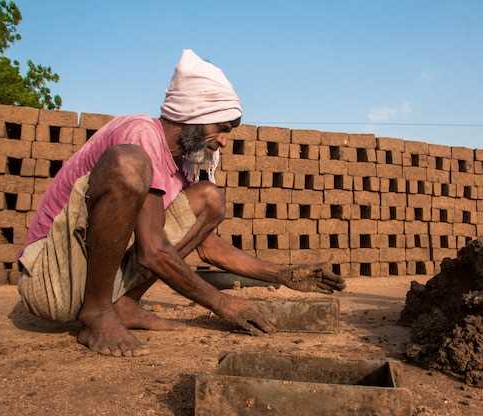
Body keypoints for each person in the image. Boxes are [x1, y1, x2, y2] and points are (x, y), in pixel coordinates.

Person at [17, 49, 345, 357]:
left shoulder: (181, 165)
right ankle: (98, 313)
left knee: (209, 199)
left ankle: (125, 305)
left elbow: (208, 247)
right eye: (222, 128)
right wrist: (222, 303)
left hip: (90, 276)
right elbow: (153, 250)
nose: (224, 141)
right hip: (52, 277)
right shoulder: (140, 134)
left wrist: (282, 274)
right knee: (130, 164)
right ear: (197, 113)